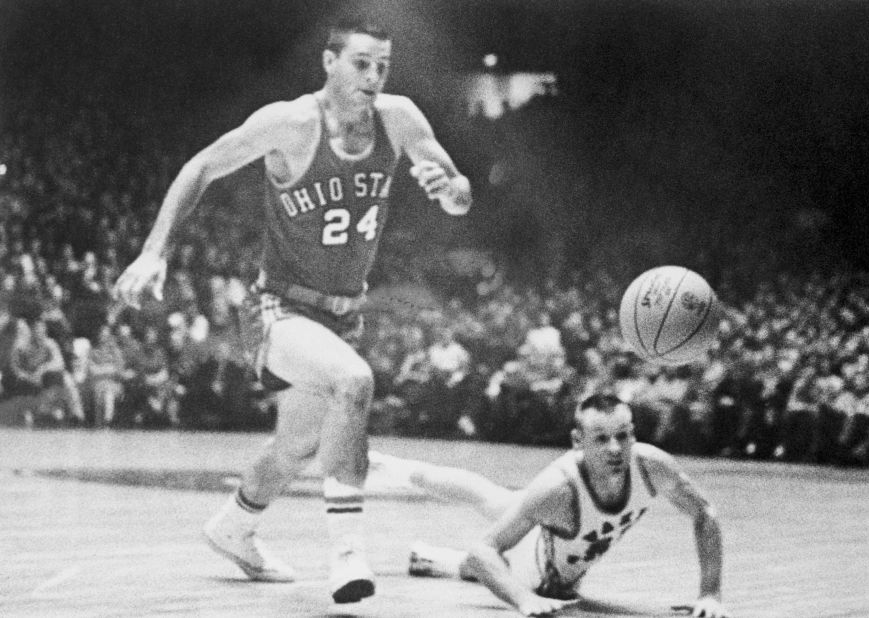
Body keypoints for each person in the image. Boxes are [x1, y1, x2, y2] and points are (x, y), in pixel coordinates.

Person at [113, 17, 471, 604]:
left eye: (383, 65)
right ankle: (348, 553)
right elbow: (199, 166)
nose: (374, 76)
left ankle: (233, 527)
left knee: (294, 449)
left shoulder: (400, 118)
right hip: (277, 308)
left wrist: (450, 190)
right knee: (355, 380)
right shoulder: (292, 123)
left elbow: (458, 192)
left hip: (340, 314)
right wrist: (155, 252)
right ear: (329, 62)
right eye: (361, 62)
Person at [372, 393, 730, 617]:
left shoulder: (652, 466)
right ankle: (378, 465)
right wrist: (523, 599)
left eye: (623, 436)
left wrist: (710, 594)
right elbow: (483, 552)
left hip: (555, 541)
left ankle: (426, 550)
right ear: (578, 441)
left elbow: (704, 514)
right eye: (601, 439)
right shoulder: (555, 489)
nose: (615, 449)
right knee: (494, 536)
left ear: (633, 434)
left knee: (492, 497)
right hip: (541, 574)